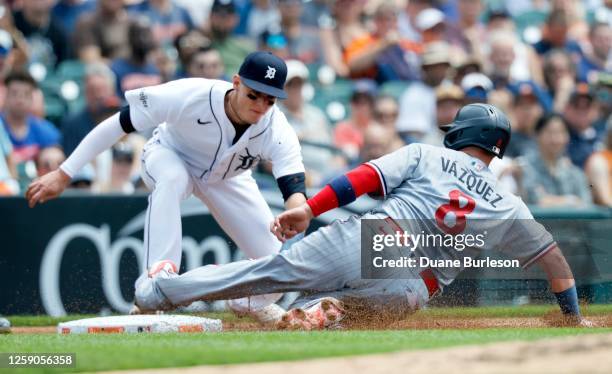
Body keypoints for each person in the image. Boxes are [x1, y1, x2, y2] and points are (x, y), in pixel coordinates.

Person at [133, 104, 593, 330]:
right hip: (414, 286)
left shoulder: (427, 154)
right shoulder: (509, 202)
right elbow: (556, 264)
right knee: (342, 315)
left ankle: (161, 293)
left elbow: (363, 180)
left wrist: (308, 209)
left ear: (463, 133)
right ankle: (311, 313)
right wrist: (570, 317)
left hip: (379, 237)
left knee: (268, 271)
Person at [26, 51, 307, 323]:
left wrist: (296, 211)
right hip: (170, 156)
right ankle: (152, 288)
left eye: (269, 100)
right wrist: (64, 173)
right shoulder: (191, 94)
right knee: (172, 179)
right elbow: (120, 124)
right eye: (253, 94)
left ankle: (246, 301)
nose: (259, 105)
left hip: (229, 179)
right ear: (236, 83)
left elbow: (293, 184)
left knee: (275, 261)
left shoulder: (275, 127)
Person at [519, 113, 592, 207]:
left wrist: (551, 200)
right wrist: (571, 200)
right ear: (537, 135)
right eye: (549, 132)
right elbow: (536, 200)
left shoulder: (575, 173)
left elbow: (586, 203)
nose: (555, 139)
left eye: (560, 132)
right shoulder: (526, 167)